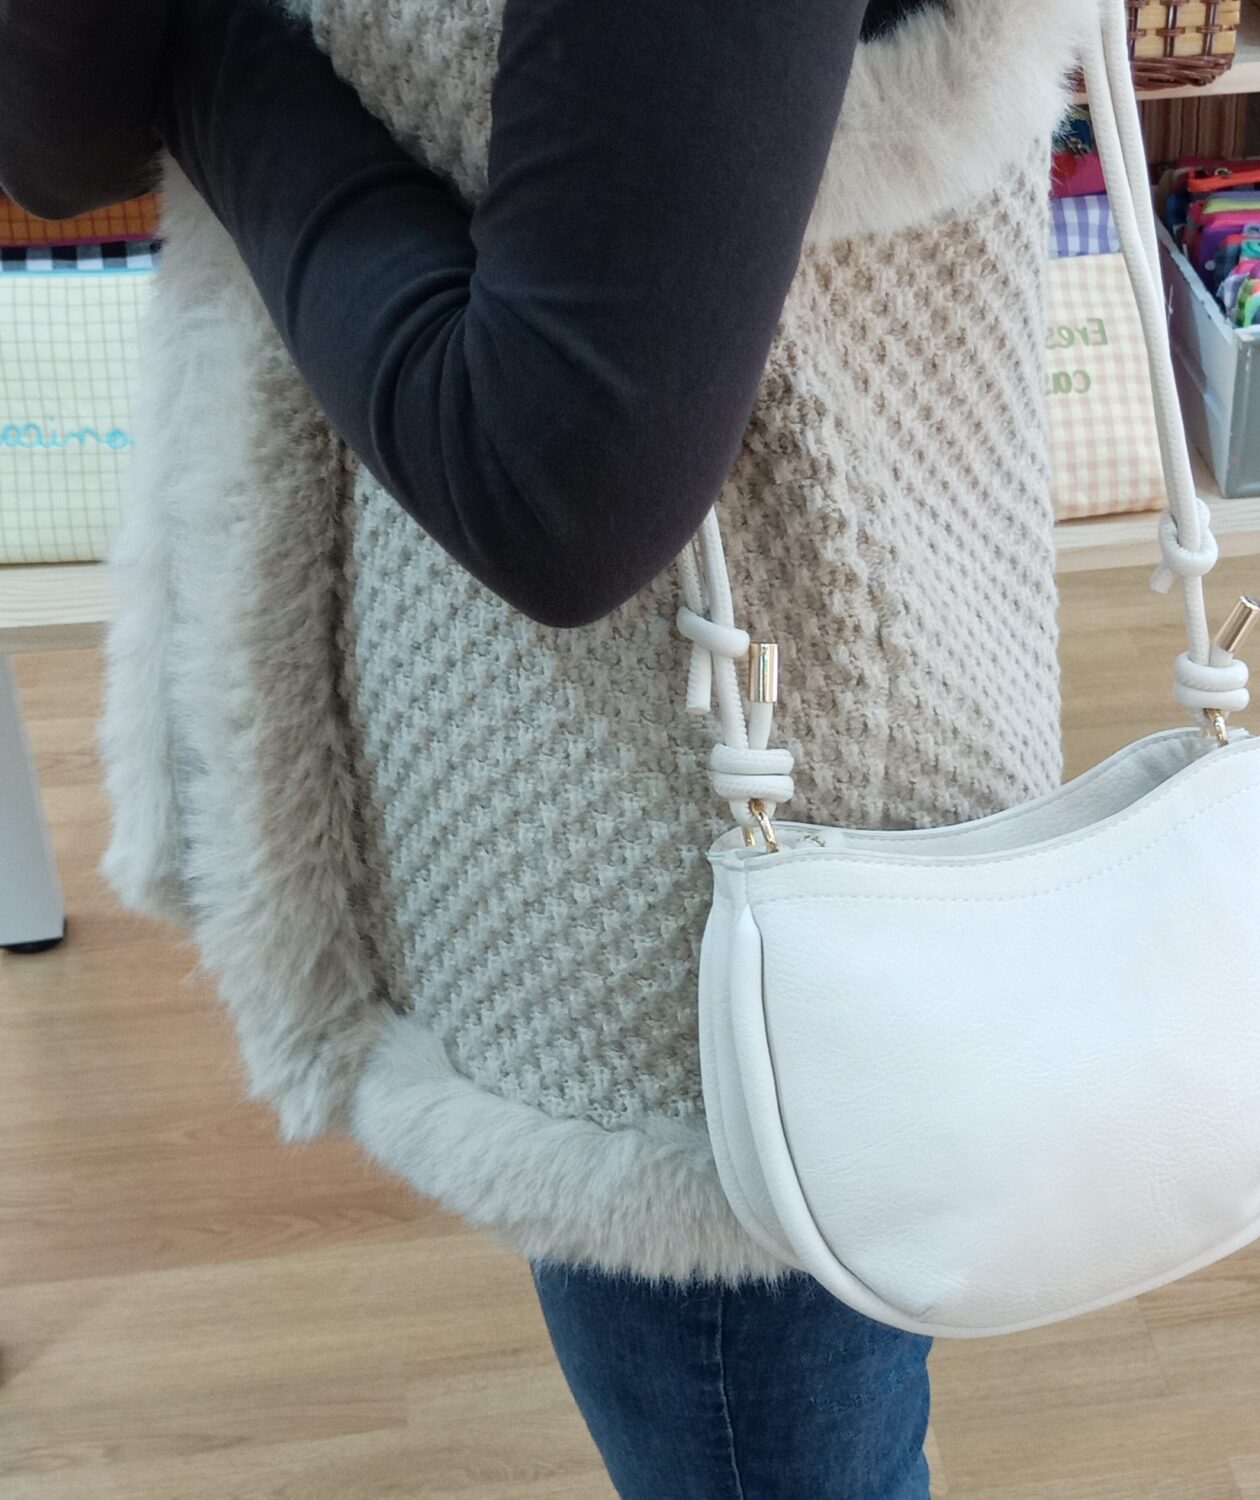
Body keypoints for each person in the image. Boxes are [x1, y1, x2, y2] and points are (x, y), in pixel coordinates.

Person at [0, 2, 1091, 1494]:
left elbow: (563, 482)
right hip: (569, 768)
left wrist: (215, 62)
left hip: (715, 833)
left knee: (758, 1423)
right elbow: (59, 144)